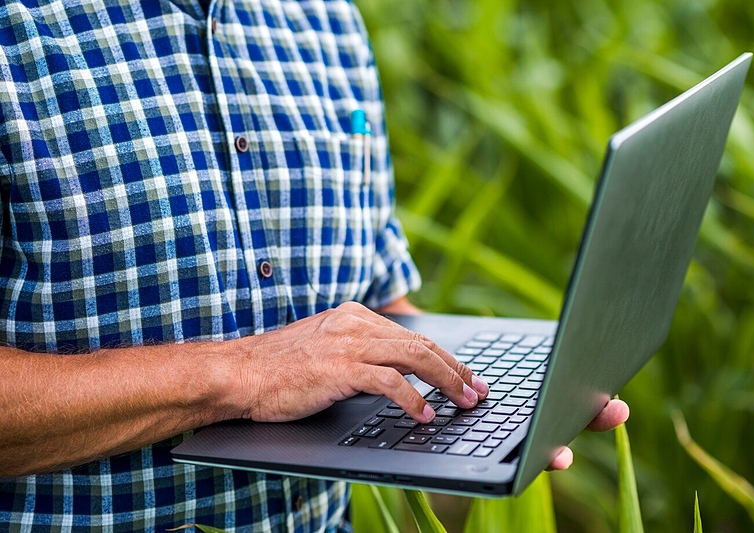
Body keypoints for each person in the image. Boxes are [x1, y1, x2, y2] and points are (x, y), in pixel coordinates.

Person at [0, 1, 629, 531]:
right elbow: (280, 367)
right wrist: (245, 374)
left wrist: (489, 399)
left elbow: (378, 304)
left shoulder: (327, 18)